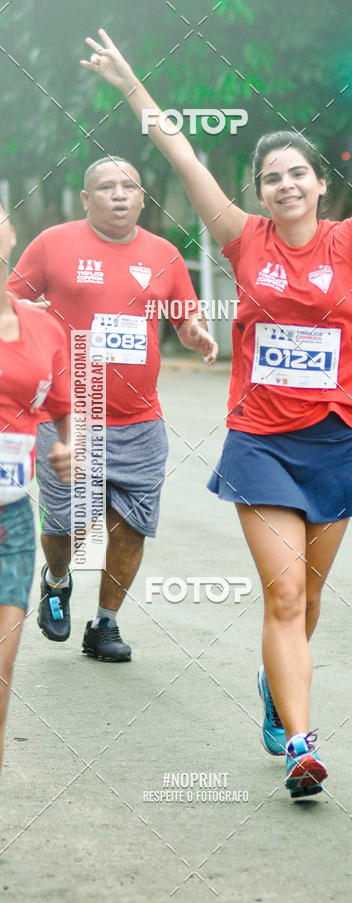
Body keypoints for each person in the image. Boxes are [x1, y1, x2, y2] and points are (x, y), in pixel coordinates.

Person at [82, 30, 352, 796]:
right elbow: (182, 153)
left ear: (319, 184)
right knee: (282, 593)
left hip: (333, 442)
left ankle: (275, 687)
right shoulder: (243, 240)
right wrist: (131, 86)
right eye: (270, 177)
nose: (284, 185)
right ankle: (302, 746)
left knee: (307, 599)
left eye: (297, 174)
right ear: (258, 191)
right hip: (258, 442)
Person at [6, 157, 218, 663]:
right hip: (67, 417)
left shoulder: (164, 254)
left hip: (140, 420)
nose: (119, 194)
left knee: (131, 523)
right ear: (86, 199)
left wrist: (197, 334)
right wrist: (25, 315)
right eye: (106, 187)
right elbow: (8, 301)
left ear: (143, 198)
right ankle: (57, 582)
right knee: (65, 524)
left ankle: (105, 625)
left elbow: (186, 316)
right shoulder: (53, 244)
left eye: (129, 186)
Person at [0, 197, 71, 771]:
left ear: (9, 233)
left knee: (2, 668)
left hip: (11, 518)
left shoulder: (45, 325)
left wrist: (69, 445)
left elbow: (65, 406)